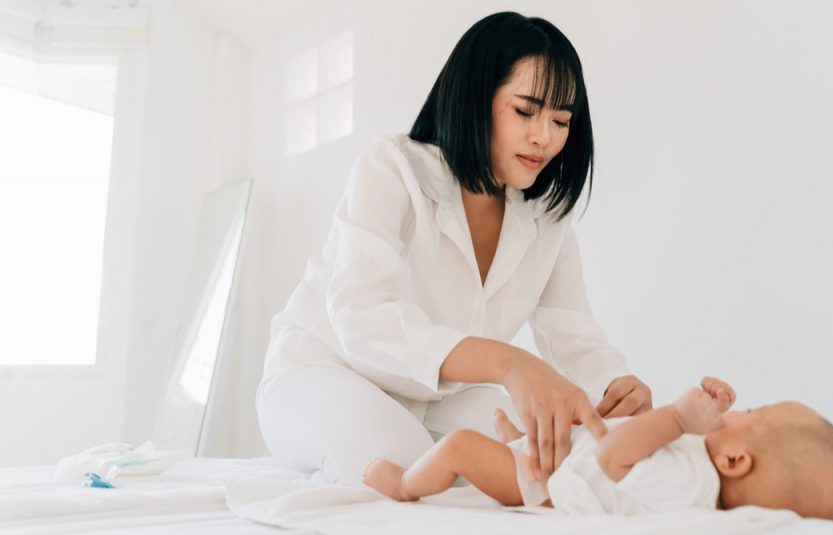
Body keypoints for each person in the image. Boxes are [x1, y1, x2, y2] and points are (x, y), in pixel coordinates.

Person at [256, 11, 652, 488]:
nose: (544, 137)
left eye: (561, 120)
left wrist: (614, 385)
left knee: (556, 461)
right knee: (397, 461)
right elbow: (362, 317)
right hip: (323, 369)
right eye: (525, 111)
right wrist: (509, 364)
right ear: (475, 99)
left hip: (439, 397)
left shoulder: (546, 218)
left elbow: (574, 334)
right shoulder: (392, 168)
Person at [362, 377, 833, 521]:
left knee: (458, 446)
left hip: (547, 485)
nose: (740, 411)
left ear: (736, 460)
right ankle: (516, 438)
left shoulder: (691, 485)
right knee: (556, 425)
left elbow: (612, 458)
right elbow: (626, 444)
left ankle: (404, 485)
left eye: (751, 415)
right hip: (570, 461)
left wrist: (675, 417)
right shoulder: (702, 469)